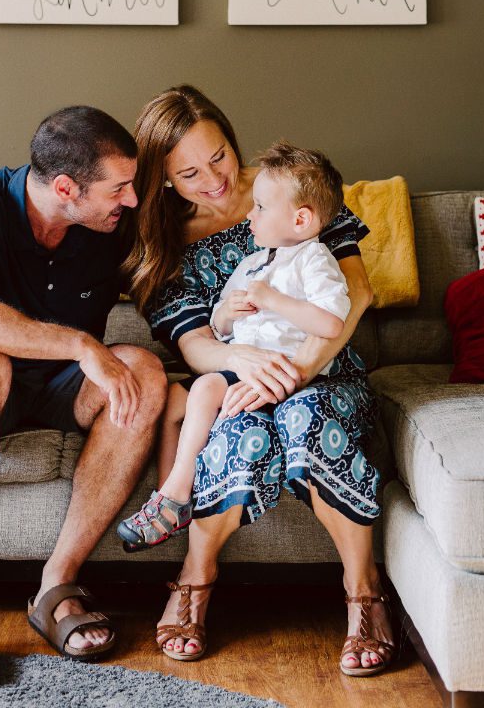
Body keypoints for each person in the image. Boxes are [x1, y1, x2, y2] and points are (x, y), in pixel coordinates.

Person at [123, 86, 395, 676]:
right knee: (232, 434)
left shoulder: (289, 189)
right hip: (240, 378)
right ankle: (195, 578)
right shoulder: (165, 240)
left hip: (323, 372)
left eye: (219, 156)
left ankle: (363, 593)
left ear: (231, 137)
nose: (214, 180)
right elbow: (194, 341)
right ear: (163, 178)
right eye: (189, 174)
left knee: (306, 417)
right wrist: (242, 361)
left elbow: (356, 293)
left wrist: (295, 373)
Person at [0, 106, 168, 679]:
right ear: (66, 188)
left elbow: (216, 219)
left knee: (145, 372)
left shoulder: (113, 222)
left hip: (58, 386)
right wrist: (79, 344)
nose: (130, 200)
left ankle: (57, 586)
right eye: (118, 188)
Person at [117, 142, 352, 552]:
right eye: (189, 173)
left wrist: (273, 300)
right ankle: (168, 500)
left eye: (259, 208)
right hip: (243, 362)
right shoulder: (253, 262)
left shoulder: (313, 258)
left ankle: (175, 494)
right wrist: (227, 313)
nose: (249, 215)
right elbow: (215, 329)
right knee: (174, 400)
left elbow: (332, 322)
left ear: (300, 219)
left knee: (207, 387)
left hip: (288, 366)